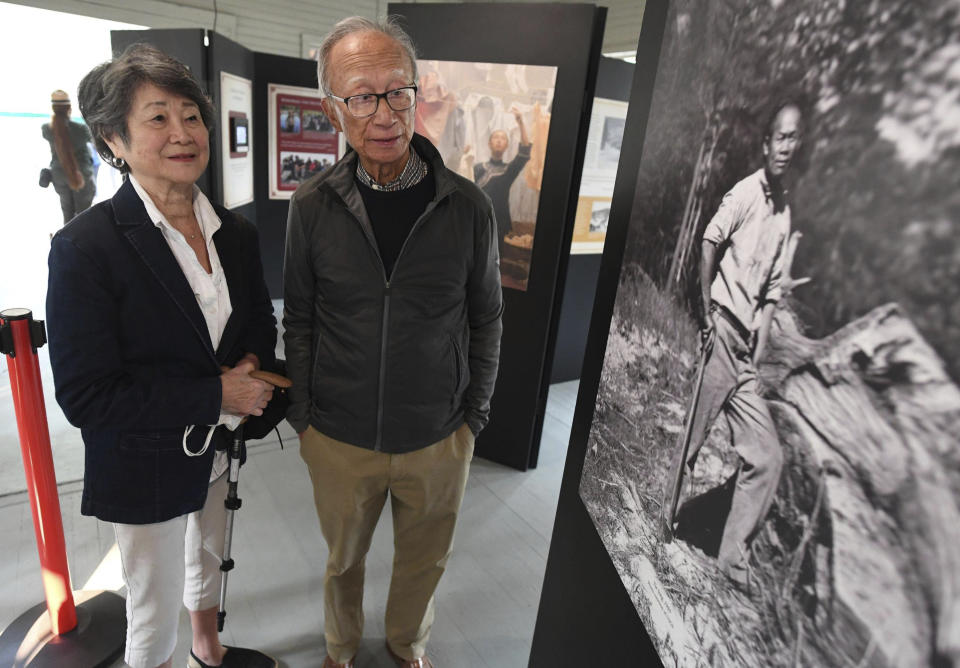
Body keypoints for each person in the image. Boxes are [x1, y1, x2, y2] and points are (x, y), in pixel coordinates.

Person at [46, 44, 279, 668]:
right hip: (143, 454)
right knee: (152, 608)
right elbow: (86, 395)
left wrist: (251, 369)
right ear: (113, 140)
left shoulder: (238, 232)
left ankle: (209, 647)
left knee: (208, 555)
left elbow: (258, 320)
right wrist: (217, 394)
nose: (182, 133)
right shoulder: (85, 248)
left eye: (192, 116)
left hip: (218, 445)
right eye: (157, 118)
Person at [283, 16, 503, 668]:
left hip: (438, 436)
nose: (383, 113)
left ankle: (407, 648)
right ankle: (340, 649)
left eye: (396, 91)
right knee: (342, 560)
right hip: (339, 437)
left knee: (424, 561)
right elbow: (299, 318)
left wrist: (474, 417)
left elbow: (486, 318)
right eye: (361, 96)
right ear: (332, 109)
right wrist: (305, 420)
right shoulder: (313, 206)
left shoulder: (466, 207)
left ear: (416, 92)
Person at [684, 101, 802, 589]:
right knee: (689, 443)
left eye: (794, 139)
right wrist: (706, 313)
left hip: (745, 353)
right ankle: (662, 528)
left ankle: (731, 558)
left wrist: (757, 353)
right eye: (780, 137)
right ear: (766, 143)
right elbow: (709, 241)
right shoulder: (747, 193)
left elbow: (773, 293)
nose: (785, 147)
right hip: (721, 331)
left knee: (768, 457)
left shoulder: (784, 214)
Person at [473, 106, 531, 253]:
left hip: (499, 222)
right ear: (489, 143)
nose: (499, 141)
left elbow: (524, 151)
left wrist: (521, 122)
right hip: (476, 221)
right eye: (496, 138)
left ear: (506, 146)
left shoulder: (508, 170)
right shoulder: (477, 168)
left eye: (503, 138)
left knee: (495, 262)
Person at [42, 90, 96, 223]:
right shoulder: (81, 129)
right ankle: (84, 242)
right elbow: (96, 143)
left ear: (53, 108)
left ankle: (67, 241)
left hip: (58, 175)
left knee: (67, 213)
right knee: (84, 216)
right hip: (81, 174)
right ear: (69, 108)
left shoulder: (46, 129)